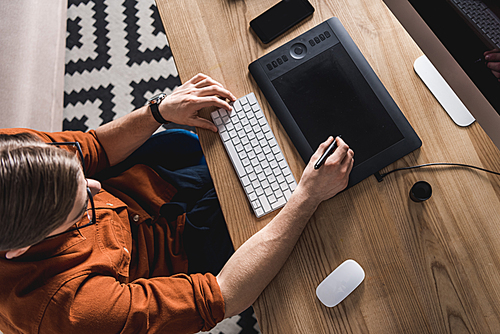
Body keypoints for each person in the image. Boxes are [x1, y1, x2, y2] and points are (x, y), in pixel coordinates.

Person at [0, 73, 354, 333]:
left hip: (143, 196)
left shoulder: (11, 153)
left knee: (209, 150)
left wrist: (159, 111)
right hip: (172, 259)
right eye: (79, 210)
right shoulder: (75, 309)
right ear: (21, 249)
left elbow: (93, 149)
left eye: (79, 175)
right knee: (298, 212)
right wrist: (306, 198)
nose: (95, 186)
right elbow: (225, 296)